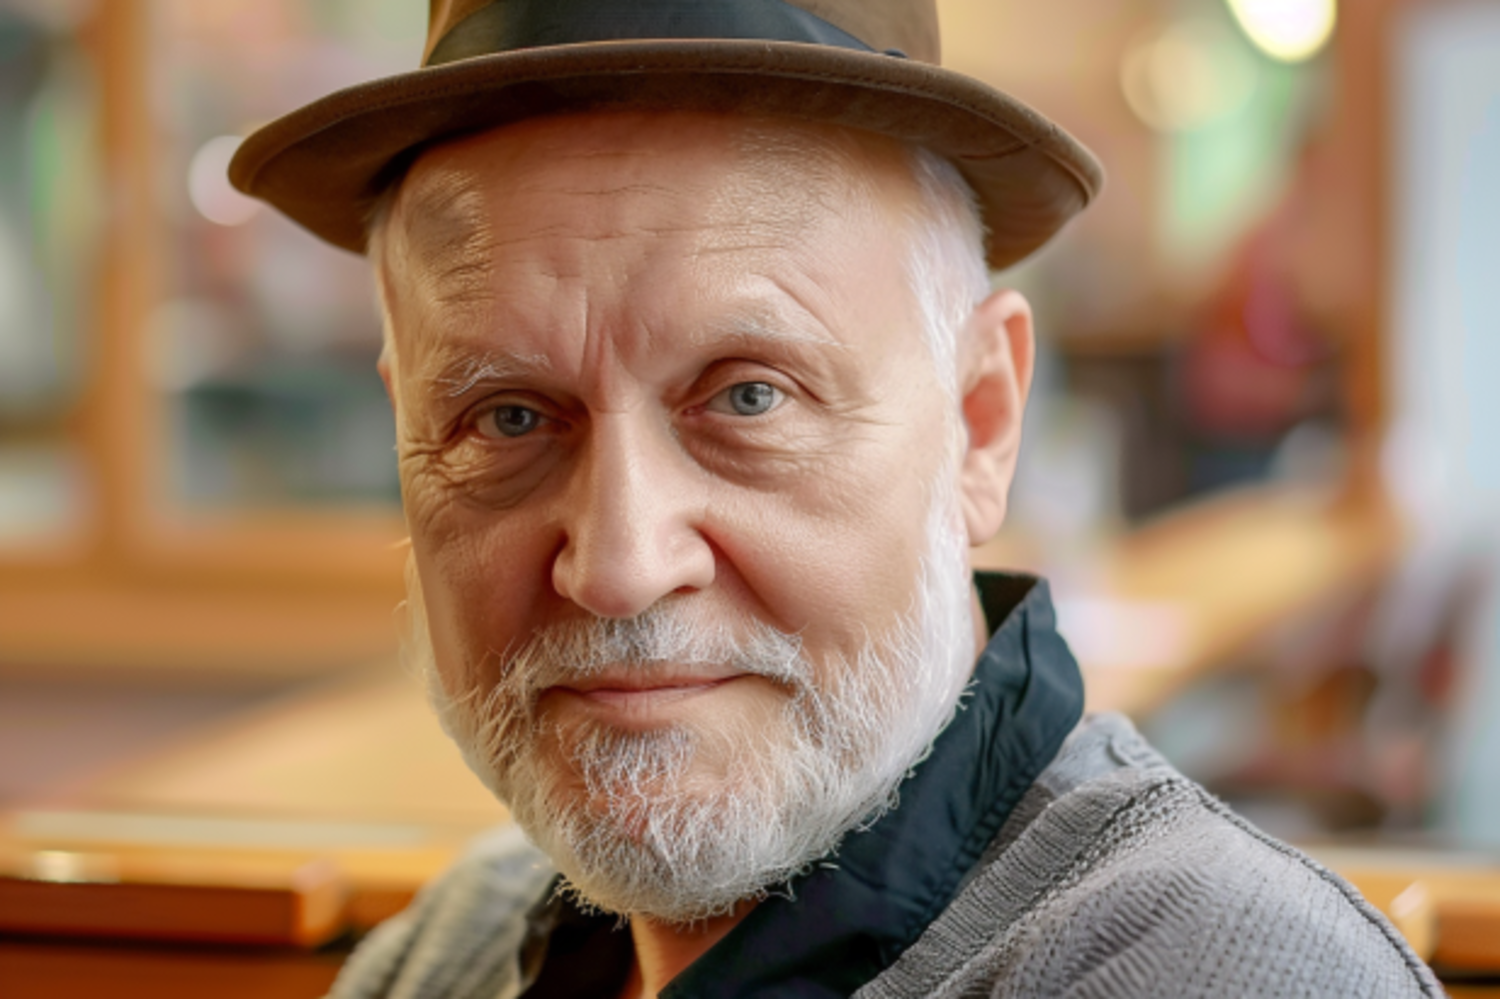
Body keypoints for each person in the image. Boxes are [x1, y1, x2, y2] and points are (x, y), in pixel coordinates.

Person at [230, 1, 1440, 995]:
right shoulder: (438, 962)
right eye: (507, 417)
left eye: (748, 398)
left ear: (980, 424)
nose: (617, 564)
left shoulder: (1220, 978)